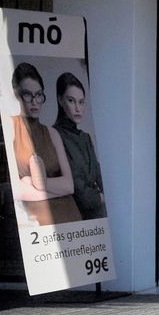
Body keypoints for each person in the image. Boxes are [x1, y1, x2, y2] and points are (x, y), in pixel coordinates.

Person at [7, 62, 82, 226]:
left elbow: (69, 187)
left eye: (39, 94)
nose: (35, 102)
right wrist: (53, 189)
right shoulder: (10, 127)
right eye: (28, 94)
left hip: (70, 217)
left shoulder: (52, 133)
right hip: (36, 223)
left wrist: (37, 182)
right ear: (16, 95)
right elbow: (16, 190)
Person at [53, 72, 107, 221]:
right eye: (71, 100)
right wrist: (101, 197)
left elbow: (98, 173)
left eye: (81, 102)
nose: (78, 108)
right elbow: (80, 192)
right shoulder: (56, 135)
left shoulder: (85, 138)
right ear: (60, 100)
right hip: (72, 217)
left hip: (93, 218)